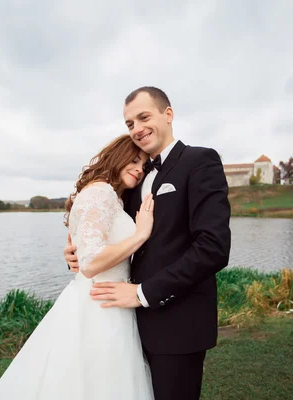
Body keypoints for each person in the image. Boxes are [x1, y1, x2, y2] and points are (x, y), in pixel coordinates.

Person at [65, 86, 231, 399]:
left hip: (178, 326)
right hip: (125, 326)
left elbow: (213, 248)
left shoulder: (200, 161)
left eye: (144, 117)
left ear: (168, 115)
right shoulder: (134, 179)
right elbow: (107, 233)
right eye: (129, 124)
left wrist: (143, 293)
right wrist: (75, 253)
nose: (137, 129)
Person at [0, 134, 155, 400]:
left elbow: (85, 251)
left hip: (110, 302)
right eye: (133, 160)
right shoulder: (100, 193)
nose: (138, 168)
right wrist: (140, 235)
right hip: (98, 308)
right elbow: (89, 263)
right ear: (117, 158)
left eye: (144, 164)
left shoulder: (112, 197)